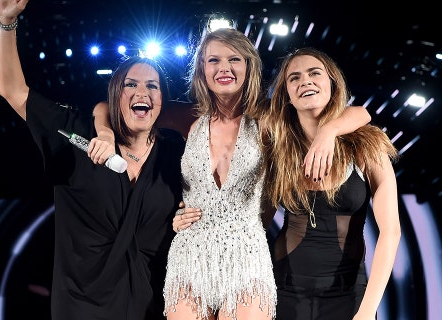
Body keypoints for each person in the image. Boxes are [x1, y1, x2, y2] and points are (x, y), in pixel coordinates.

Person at [93, 28, 371, 320]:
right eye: (213, 60)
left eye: (234, 59)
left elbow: (361, 113)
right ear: (202, 69)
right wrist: (104, 134)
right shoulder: (187, 117)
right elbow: (107, 108)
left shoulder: (268, 118)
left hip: (247, 259)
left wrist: (329, 131)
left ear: (248, 66)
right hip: (190, 255)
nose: (224, 68)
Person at [0, 0, 186, 319]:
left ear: (162, 100)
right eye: (131, 85)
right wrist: (6, 23)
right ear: (115, 95)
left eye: (152, 86)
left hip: (153, 306)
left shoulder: (173, 152)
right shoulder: (78, 138)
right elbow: (13, 92)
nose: (143, 92)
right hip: (81, 308)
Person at [262, 47, 401, 320]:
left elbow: (391, 233)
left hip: (348, 295)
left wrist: (367, 310)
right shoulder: (277, 149)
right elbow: (256, 222)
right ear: (286, 95)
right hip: (282, 291)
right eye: (294, 78)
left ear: (332, 84)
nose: (306, 81)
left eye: (315, 73)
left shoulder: (366, 146)